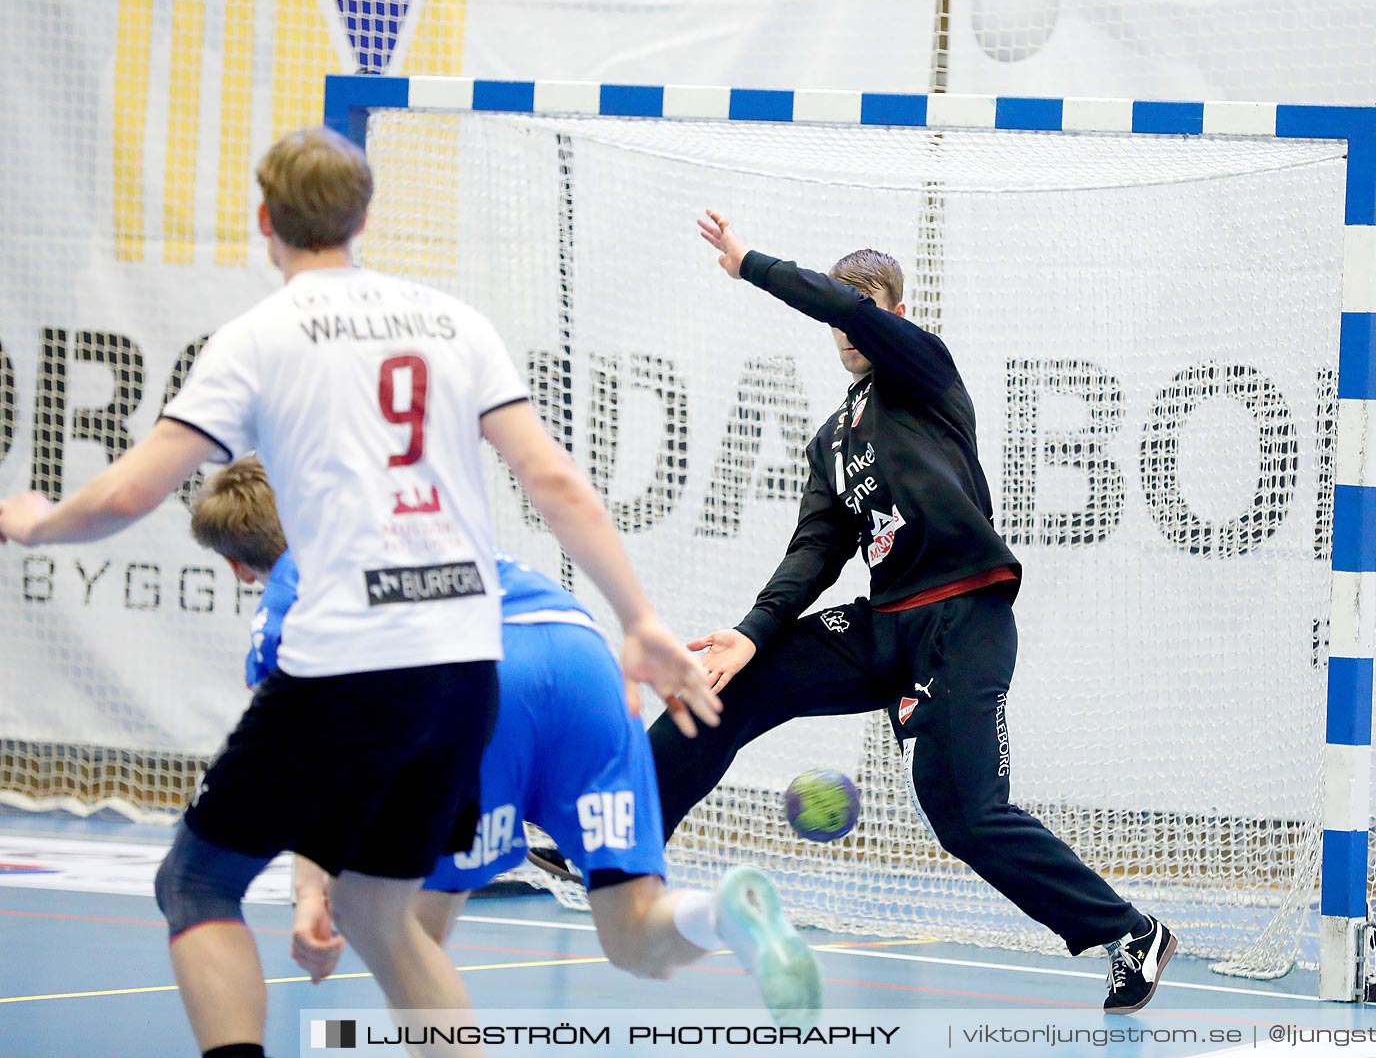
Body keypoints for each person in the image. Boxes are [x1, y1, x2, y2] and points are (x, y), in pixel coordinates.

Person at [0, 126, 721, 1058]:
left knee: (197, 886)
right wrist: (641, 618)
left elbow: (133, 491)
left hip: (351, 664)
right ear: (364, 217)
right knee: (383, 916)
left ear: (266, 221)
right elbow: (557, 481)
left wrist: (36, 522)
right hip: (467, 672)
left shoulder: (258, 337)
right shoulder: (454, 322)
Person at [647, 210, 1177, 1014]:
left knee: (966, 819)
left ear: (893, 314)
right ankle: (618, 847)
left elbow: (850, 310)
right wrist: (752, 635)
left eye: (861, 304)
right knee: (718, 688)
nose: (847, 321)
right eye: (840, 305)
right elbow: (814, 551)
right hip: (884, 625)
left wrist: (751, 262)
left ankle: (1130, 932)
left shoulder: (924, 373)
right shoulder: (831, 437)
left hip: (962, 618)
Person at [186, 456, 820, 1023]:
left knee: (407, 942)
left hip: (483, 681)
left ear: (240, 566)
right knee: (634, 939)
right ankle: (720, 914)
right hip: (581, 656)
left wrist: (307, 892)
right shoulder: (400, 523)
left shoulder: (287, 598)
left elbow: (312, 757)